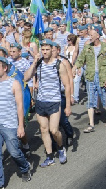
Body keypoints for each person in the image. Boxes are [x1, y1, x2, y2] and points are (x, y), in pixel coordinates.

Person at [0, 56, 31, 189]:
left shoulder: (14, 84)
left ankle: (25, 168)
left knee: (14, 152)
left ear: (5, 68)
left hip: (10, 125)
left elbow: (19, 106)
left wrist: (21, 126)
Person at [24, 39, 71, 167]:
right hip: (41, 101)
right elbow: (26, 77)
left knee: (54, 130)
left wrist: (67, 106)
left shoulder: (59, 64)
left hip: (54, 101)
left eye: (47, 50)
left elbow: (67, 85)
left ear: (52, 50)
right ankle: (50, 156)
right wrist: (34, 62)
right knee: (44, 130)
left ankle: (61, 148)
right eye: (42, 50)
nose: (44, 52)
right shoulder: (38, 63)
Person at [73, 27, 106, 132]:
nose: (89, 37)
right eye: (89, 35)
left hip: (102, 76)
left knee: (105, 99)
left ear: (98, 36)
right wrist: (75, 67)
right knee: (91, 99)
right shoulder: (87, 47)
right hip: (90, 76)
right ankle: (91, 124)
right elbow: (81, 59)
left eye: (91, 35)